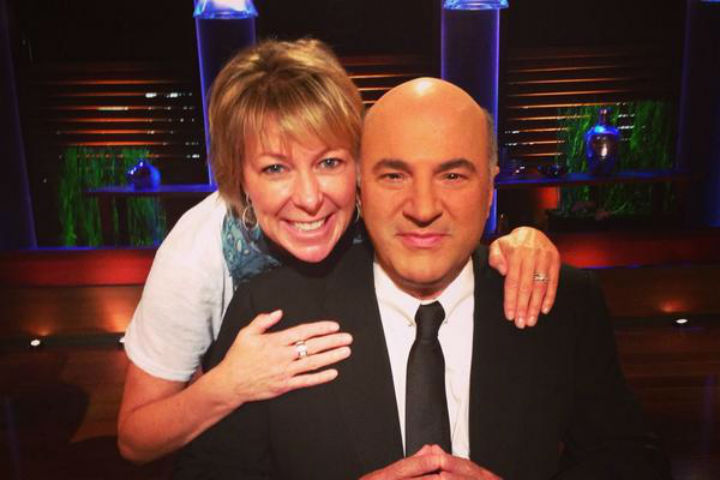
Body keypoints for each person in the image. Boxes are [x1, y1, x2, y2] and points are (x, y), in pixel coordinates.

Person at [174, 78, 671, 479]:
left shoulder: (560, 302)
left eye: (453, 175)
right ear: (361, 187)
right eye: (394, 175)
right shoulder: (271, 314)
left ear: (491, 185)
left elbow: (634, 461)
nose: (423, 207)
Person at [117, 40, 562, 463]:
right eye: (275, 168)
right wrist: (228, 384)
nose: (310, 199)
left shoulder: (373, 209)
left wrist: (518, 244)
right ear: (240, 178)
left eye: (329, 162)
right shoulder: (195, 256)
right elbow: (135, 439)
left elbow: (442, 233)